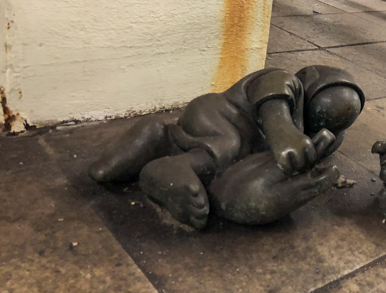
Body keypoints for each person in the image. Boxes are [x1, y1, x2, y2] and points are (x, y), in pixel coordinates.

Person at [89, 66, 364, 229]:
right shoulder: (287, 82)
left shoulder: (321, 135)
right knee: (229, 147)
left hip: (229, 145)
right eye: (323, 113)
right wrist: (283, 131)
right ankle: (170, 168)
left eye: (337, 125)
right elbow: (273, 96)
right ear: (311, 85)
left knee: (230, 160)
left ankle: (160, 142)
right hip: (220, 116)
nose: (325, 127)